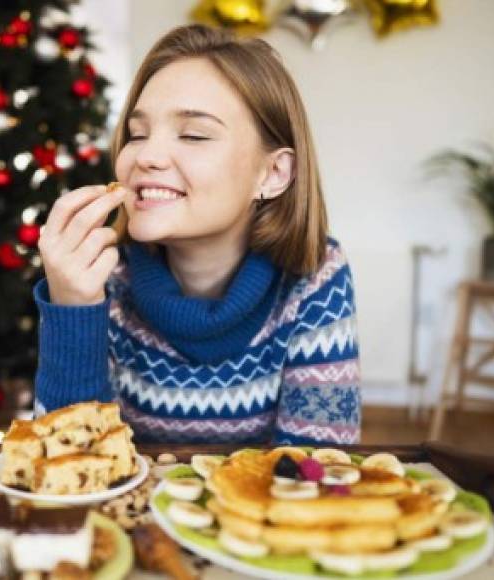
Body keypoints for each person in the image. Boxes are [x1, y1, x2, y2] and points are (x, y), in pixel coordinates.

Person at [32, 24, 360, 444]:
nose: (145, 156)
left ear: (273, 173)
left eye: (193, 134)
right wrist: (73, 310)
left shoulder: (317, 275)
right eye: (137, 134)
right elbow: (66, 466)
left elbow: (319, 474)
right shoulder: (100, 278)